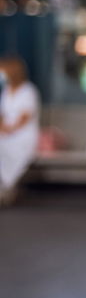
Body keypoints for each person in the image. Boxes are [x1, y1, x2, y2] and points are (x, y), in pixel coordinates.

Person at [0, 56, 40, 206]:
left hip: (22, 135)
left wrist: (9, 129)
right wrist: (2, 127)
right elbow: (3, 114)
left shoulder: (28, 91)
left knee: (8, 151)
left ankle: (6, 187)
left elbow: (25, 117)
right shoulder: (6, 90)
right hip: (6, 133)